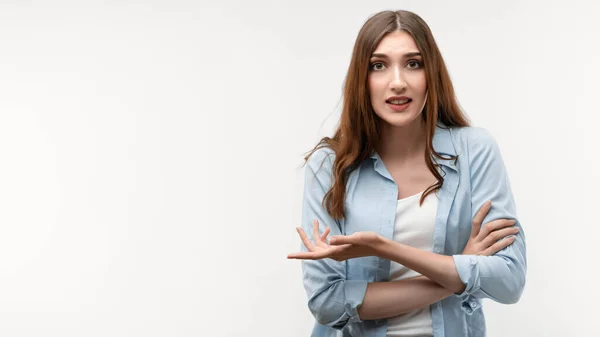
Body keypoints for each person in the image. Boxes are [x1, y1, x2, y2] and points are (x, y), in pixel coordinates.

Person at [287, 9, 527, 337]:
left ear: (432, 74)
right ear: (363, 78)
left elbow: (509, 280)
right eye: (378, 65)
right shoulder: (329, 166)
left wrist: (384, 247)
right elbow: (327, 302)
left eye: (413, 63)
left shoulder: (475, 150)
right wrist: (460, 270)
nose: (397, 82)